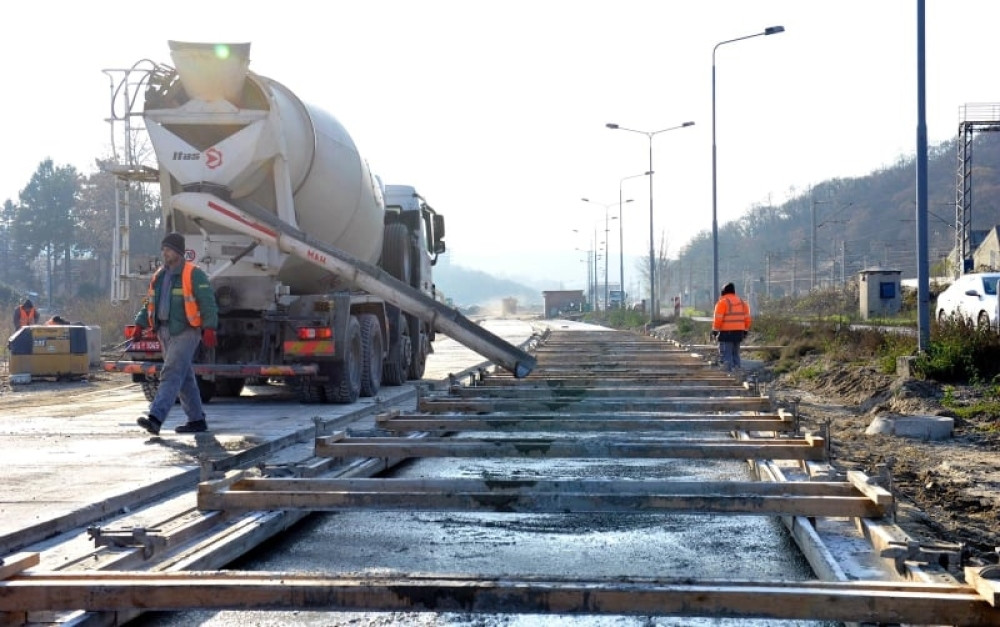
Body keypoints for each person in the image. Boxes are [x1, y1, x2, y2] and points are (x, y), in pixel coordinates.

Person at [130, 232, 219, 436]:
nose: (164, 253)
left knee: (170, 373)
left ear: (178, 252)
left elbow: (208, 303)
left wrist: (210, 327)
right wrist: (139, 323)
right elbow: (149, 302)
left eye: (168, 249)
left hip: (186, 332)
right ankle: (197, 420)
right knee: (184, 378)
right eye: (163, 249)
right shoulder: (160, 276)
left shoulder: (194, 274)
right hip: (164, 332)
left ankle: (156, 418)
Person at [711, 282, 752, 372]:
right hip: (739, 333)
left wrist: (715, 330)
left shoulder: (722, 302)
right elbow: (747, 319)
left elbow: (718, 319)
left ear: (723, 292)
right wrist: (745, 330)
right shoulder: (742, 302)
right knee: (736, 354)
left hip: (726, 333)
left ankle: (728, 375)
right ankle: (737, 373)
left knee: (726, 355)